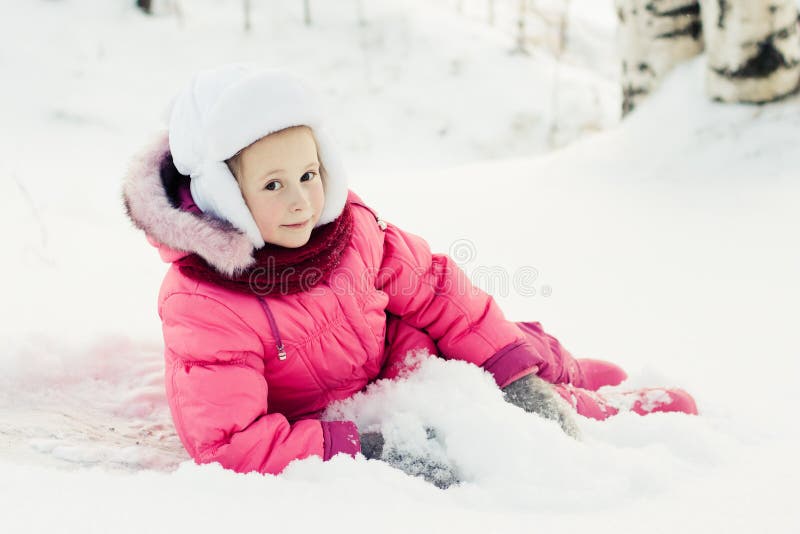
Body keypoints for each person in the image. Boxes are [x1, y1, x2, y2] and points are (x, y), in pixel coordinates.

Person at [122, 64, 697, 489]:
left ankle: (557, 385)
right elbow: (229, 445)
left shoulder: (349, 233)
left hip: (397, 364)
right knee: (467, 411)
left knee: (493, 355)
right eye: (272, 185)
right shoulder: (205, 303)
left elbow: (440, 291)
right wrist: (368, 450)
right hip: (332, 420)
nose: (301, 200)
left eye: (309, 174)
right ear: (221, 196)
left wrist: (513, 372)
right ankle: (566, 407)